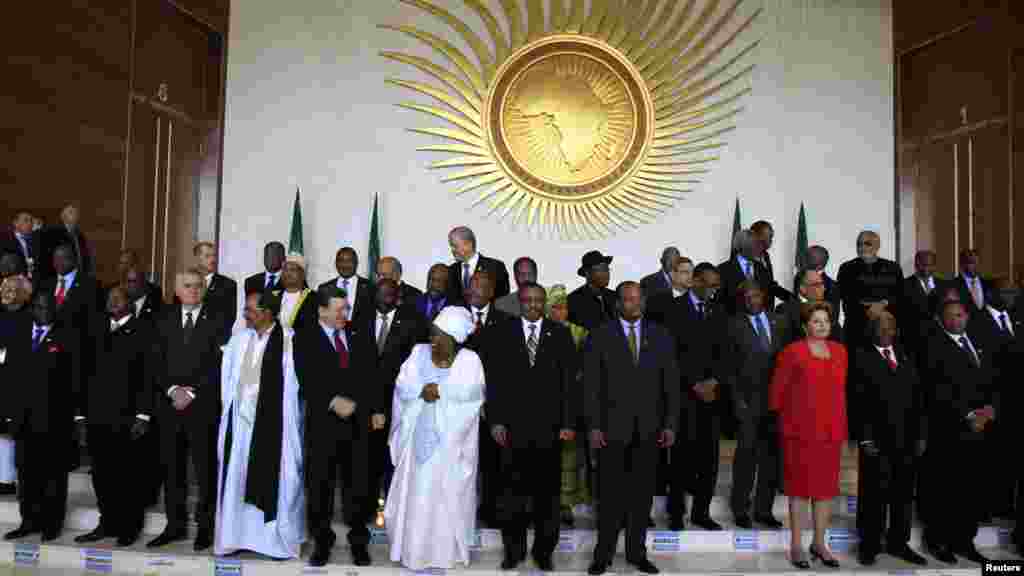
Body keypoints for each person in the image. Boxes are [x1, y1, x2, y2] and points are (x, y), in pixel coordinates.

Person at [585, 282, 680, 576]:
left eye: (638, 299)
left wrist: (670, 424)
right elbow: (591, 385)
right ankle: (603, 555)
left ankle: (637, 554)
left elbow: (671, 383)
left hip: (649, 430)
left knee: (641, 497)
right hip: (611, 430)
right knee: (609, 497)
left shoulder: (661, 334)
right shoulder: (600, 335)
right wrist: (594, 426)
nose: (634, 304)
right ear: (618, 304)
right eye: (628, 300)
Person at [385, 306, 485, 570]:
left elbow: (473, 395)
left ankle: (442, 553)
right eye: (432, 333)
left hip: (450, 441)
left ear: (454, 338)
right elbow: (403, 385)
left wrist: (440, 391)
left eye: (439, 335)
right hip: (416, 438)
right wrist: (422, 390)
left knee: (444, 498)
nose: (432, 339)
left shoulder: (470, 361)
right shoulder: (418, 353)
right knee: (416, 496)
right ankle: (412, 551)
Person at [489, 283, 576, 571]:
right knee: (511, 494)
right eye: (528, 300)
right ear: (520, 302)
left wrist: (568, 423)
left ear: (545, 303)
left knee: (547, 497)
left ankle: (543, 552)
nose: (534, 305)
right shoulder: (502, 332)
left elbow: (568, 383)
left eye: (539, 300)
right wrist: (496, 420)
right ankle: (513, 551)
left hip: (549, 429)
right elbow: (494, 380)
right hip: (511, 429)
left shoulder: (560, 333)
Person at [215, 291, 305, 559]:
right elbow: (228, 379)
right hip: (240, 426)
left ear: (267, 313)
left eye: (250, 310)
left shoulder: (289, 341)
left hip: (274, 426)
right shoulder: (239, 339)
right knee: (236, 478)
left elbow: (294, 386)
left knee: (275, 478)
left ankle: (272, 543)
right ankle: (234, 538)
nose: (245, 314)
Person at [293, 286, 375, 567]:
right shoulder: (304, 337)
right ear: (322, 310)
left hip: (357, 424)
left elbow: (371, 374)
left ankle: (359, 543)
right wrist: (330, 400)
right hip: (322, 426)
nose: (344, 314)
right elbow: (305, 377)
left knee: (358, 487)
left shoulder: (358, 334)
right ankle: (322, 542)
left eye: (346, 308)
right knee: (320, 487)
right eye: (339, 309)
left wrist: (375, 409)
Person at [147, 269, 227, 551]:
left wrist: (192, 392)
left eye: (198, 286)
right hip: (170, 406)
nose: (193, 290)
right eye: (188, 286)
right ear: (177, 290)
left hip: (202, 407)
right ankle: (175, 526)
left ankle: (205, 528)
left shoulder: (218, 319)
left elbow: (220, 364)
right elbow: (154, 361)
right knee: (172, 470)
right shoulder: (163, 318)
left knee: (205, 471)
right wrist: (172, 390)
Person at [769, 301, 848, 569]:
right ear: (805, 326)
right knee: (800, 491)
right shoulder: (792, 351)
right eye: (816, 321)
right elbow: (777, 394)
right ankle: (796, 546)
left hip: (830, 432)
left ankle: (819, 543)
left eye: (826, 321)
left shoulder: (840, 351)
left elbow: (841, 392)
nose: (822, 325)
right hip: (799, 432)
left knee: (825, 491)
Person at [74, 286, 153, 547]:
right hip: (97, 416)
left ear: (130, 303)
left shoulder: (143, 330)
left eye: (118, 298)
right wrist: (80, 416)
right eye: (109, 298)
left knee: (128, 475)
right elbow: (83, 374)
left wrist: (143, 415)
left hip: (128, 417)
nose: (112, 301)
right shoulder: (96, 329)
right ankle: (107, 522)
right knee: (101, 474)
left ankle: (129, 526)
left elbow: (148, 375)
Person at [919, 301, 996, 565]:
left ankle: (964, 541)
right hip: (948, 429)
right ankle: (938, 541)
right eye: (951, 316)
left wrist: (990, 409)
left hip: (979, 430)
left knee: (971, 489)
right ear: (941, 319)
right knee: (945, 489)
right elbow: (935, 388)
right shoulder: (933, 346)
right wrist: (968, 414)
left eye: (961, 315)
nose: (957, 319)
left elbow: (992, 379)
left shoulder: (977, 341)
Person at [851, 312, 927, 566]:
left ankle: (898, 543)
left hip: (906, 438)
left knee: (902, 494)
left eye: (890, 328)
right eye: (881, 328)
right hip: (876, 440)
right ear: (872, 330)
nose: (886, 333)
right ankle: (869, 545)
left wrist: (920, 434)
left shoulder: (906, 355)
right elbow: (857, 400)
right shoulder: (861, 357)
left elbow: (918, 398)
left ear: (895, 330)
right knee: (873, 494)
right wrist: (864, 438)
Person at [3, 291, 73, 542]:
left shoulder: (66, 336)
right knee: (26, 474)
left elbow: (74, 380)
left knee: (53, 475)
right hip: (23, 419)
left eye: (50, 307)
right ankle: (28, 521)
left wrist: (75, 418)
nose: (45, 312)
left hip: (53, 419)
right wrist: (9, 414)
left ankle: (51, 524)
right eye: (41, 307)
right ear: (32, 309)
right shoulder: (19, 335)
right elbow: (8, 376)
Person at [664, 262, 725, 531]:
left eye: (716, 286)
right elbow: (669, 353)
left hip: (712, 397)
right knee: (680, 459)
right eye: (710, 285)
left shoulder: (718, 310)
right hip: (683, 396)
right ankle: (676, 514)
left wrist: (715, 380)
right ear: (696, 282)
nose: (714, 290)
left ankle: (702, 512)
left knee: (709, 459)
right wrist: (693, 383)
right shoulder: (673, 309)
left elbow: (727, 352)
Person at [722, 280, 786, 529]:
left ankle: (763, 510)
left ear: (764, 296)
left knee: (771, 458)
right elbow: (729, 367)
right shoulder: (732, 325)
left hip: (776, 401)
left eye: (756, 295)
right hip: (747, 402)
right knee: (746, 458)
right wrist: (737, 400)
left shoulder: (779, 321)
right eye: (746, 297)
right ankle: (740, 508)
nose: (752, 301)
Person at [366, 279, 423, 507]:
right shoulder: (361, 319)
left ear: (397, 298)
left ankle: (392, 505)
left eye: (389, 294)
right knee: (367, 459)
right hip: (366, 401)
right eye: (380, 294)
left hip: (397, 401)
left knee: (393, 456)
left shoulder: (412, 322)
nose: (384, 299)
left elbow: (415, 364)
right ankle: (368, 506)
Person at [462, 271, 513, 526]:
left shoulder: (507, 321)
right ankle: (461, 511)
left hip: (493, 405)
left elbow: (508, 369)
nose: (475, 290)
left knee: (493, 463)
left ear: (492, 292)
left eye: (481, 286)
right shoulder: (455, 318)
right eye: (472, 285)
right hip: (460, 404)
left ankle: (491, 512)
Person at [546, 284, 590, 527]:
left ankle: (565, 505)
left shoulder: (580, 333)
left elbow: (585, 367)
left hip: (571, 404)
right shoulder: (541, 331)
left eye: (563, 308)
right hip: (544, 405)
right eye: (554, 308)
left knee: (569, 459)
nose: (559, 312)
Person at [837, 230, 902, 350]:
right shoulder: (847, 268)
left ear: (877, 246)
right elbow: (846, 296)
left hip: (886, 328)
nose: (862, 248)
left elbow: (900, 294)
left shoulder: (893, 267)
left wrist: (883, 304)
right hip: (857, 328)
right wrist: (871, 309)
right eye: (859, 244)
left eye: (867, 244)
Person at [0, 275, 33, 497]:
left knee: (17, 431)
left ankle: (19, 479)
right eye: (5, 288)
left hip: (20, 382)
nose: (8, 293)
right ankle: (4, 479)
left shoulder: (29, 318)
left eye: (13, 289)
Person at [446, 226, 510, 303]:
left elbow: (502, 299)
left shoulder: (495, 267)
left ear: (469, 244)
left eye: (455, 246)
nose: (452, 250)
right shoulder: (451, 270)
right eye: (451, 246)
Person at [778, 268, 842, 344]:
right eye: (817, 285)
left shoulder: (828, 308)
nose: (823, 289)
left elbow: (838, 337)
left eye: (823, 284)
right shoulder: (786, 309)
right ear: (803, 289)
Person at [33, 204, 94, 280]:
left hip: (79, 275)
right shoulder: (53, 233)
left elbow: (84, 256)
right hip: (60, 275)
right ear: (63, 216)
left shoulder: (79, 235)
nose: (75, 214)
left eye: (76, 212)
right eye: (71, 212)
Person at [717, 230, 770, 316]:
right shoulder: (723, 269)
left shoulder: (761, 268)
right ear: (742, 246)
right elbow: (719, 301)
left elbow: (768, 293)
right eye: (755, 244)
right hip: (733, 319)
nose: (760, 248)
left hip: (758, 319)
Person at [319, 247, 375, 325]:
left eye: (349, 261)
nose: (345, 265)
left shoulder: (370, 287)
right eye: (341, 261)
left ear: (356, 263)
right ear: (336, 263)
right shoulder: (324, 288)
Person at [195, 242, 237, 340]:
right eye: (207, 256)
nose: (212, 260)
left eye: (214, 256)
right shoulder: (185, 281)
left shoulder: (228, 285)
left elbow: (229, 318)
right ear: (197, 258)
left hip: (216, 343)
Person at [901, 250, 938, 359]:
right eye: (923, 264)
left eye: (930, 264)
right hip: (913, 344)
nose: (926, 268)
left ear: (934, 265)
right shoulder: (904, 285)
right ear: (916, 265)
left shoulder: (945, 285)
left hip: (939, 342)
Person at [567, 251, 616, 332]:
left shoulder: (615, 297)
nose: (606, 273)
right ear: (587, 273)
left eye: (607, 269)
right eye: (601, 269)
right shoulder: (573, 301)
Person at [750, 220, 794, 308]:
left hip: (768, 309)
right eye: (770, 236)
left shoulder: (765, 256)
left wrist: (793, 299)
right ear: (757, 236)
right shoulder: (744, 257)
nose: (771, 240)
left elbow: (770, 285)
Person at [277, 256, 317, 331]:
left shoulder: (314, 298)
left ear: (303, 274)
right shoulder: (272, 296)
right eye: (285, 269)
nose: (287, 273)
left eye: (292, 270)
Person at [804, 245, 841, 315]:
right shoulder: (798, 278)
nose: (804, 261)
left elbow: (832, 316)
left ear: (821, 265)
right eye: (806, 257)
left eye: (809, 258)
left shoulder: (831, 287)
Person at [954, 249, 989, 316]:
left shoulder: (988, 284)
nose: (973, 265)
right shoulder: (954, 285)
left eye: (975, 262)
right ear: (962, 264)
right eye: (970, 262)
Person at [2, 211, 34, 275]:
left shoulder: (35, 239)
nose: (30, 223)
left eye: (31, 221)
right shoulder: (5, 241)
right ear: (15, 223)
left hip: (34, 276)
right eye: (26, 220)